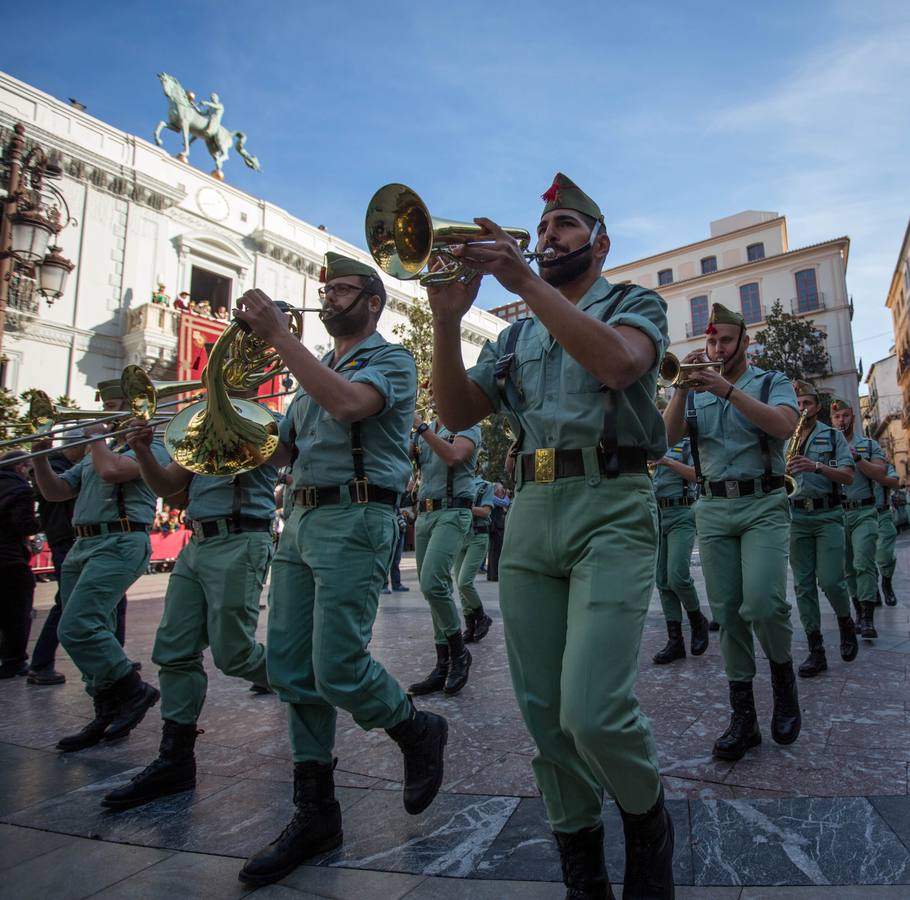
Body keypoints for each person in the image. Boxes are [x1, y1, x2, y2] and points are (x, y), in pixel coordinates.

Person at [427, 173, 674, 898]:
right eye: (543, 230)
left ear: (600, 242)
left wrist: (520, 281)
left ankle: (647, 819)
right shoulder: (513, 337)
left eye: (565, 225)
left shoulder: (634, 303)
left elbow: (620, 363)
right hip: (533, 509)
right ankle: (583, 870)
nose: (548, 238)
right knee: (543, 713)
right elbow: (459, 411)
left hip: (612, 502)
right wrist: (446, 319)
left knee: (593, 710)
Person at [230, 253, 446, 887]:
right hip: (298, 518)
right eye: (324, 289)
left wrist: (280, 340)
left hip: (356, 518)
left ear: (372, 303)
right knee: (293, 669)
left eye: (342, 290)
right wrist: (233, 410)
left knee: (339, 665)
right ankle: (315, 811)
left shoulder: (392, 360)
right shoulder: (314, 367)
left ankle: (414, 728)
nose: (327, 298)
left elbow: (352, 406)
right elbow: (285, 450)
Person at [100, 397, 278, 811]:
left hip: (240, 538)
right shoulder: (200, 425)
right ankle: (175, 759)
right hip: (197, 542)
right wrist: (144, 449)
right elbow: (166, 487)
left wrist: (228, 417)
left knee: (233, 654)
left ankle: (298, 681)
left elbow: (270, 452)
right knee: (174, 650)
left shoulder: (263, 417)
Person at [664, 302, 801, 765]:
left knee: (763, 603)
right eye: (711, 341)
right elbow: (663, 439)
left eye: (725, 340)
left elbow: (784, 424)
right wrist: (682, 388)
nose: (717, 348)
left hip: (762, 503)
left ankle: (783, 681)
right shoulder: (697, 389)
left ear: (745, 342)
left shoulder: (770, 381)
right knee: (729, 614)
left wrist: (726, 390)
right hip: (713, 508)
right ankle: (744, 719)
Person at [31, 379, 168, 751]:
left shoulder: (153, 446)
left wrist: (94, 438)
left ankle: (133, 691)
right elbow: (58, 491)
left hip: (120, 539)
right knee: (95, 630)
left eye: (115, 405)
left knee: (76, 627)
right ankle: (106, 709)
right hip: (83, 543)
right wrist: (40, 457)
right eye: (105, 406)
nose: (106, 413)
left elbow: (112, 472)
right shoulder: (104, 450)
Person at [408, 388, 481, 697]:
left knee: (432, 583)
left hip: (453, 512)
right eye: (434, 392)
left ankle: (459, 653)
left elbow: (454, 455)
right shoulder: (430, 430)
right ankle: (442, 664)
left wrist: (421, 428)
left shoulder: (468, 425)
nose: (436, 396)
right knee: (431, 590)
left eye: (441, 391)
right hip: (424, 514)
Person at [785, 381, 857, 677]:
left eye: (807, 403)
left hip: (827, 515)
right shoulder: (783, 437)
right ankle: (816, 650)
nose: (803, 408)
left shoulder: (832, 436)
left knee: (830, 580)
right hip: (796, 517)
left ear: (818, 406)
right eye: (798, 403)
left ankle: (846, 623)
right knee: (803, 586)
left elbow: (849, 477)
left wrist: (816, 466)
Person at [27, 434, 87, 685]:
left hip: (70, 536)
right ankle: (41, 663)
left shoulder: (63, 465)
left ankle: (110, 657)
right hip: (66, 537)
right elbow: (58, 493)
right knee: (66, 602)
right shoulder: (59, 467)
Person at [830, 398, 887, 639]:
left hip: (864, 512)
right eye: (836, 417)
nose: (841, 421)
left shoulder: (868, 444)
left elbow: (880, 474)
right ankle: (856, 610)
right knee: (847, 568)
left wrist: (857, 459)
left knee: (863, 562)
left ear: (852, 416)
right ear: (831, 420)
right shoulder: (827, 445)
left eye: (845, 415)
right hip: (837, 513)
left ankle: (867, 617)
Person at [650, 436, 710, 664]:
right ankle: (675, 641)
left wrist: (667, 462)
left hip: (682, 512)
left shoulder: (686, 443)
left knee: (678, 576)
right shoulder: (651, 441)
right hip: (657, 513)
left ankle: (697, 620)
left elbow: (699, 475)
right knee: (662, 580)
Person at [0, 451, 39, 679]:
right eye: (29, 468)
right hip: (9, 558)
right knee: (17, 611)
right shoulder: (19, 489)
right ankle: (14, 660)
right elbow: (24, 524)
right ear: (20, 468)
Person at [453, 471, 495, 643]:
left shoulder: (485, 486)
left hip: (478, 537)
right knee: (460, 587)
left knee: (464, 582)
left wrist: (464, 508)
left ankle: (482, 617)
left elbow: (486, 511)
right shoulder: (455, 486)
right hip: (460, 537)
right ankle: (470, 627)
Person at [873, 460, 900, 606]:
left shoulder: (884, 465)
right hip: (859, 515)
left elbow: (895, 482)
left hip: (882, 514)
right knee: (864, 557)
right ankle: (873, 590)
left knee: (885, 554)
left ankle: (886, 584)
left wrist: (875, 473)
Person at [382, 507, 410, 594]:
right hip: (389, 525)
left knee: (396, 560)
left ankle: (396, 584)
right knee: (386, 559)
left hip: (400, 528)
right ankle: (383, 585)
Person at [486, 482, 509, 581]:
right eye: (501, 489)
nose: (502, 491)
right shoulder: (493, 498)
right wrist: (507, 495)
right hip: (496, 528)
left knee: (493, 551)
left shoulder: (494, 498)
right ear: (496, 490)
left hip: (495, 527)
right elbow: (505, 503)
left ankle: (491, 575)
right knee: (496, 551)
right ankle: (495, 575)